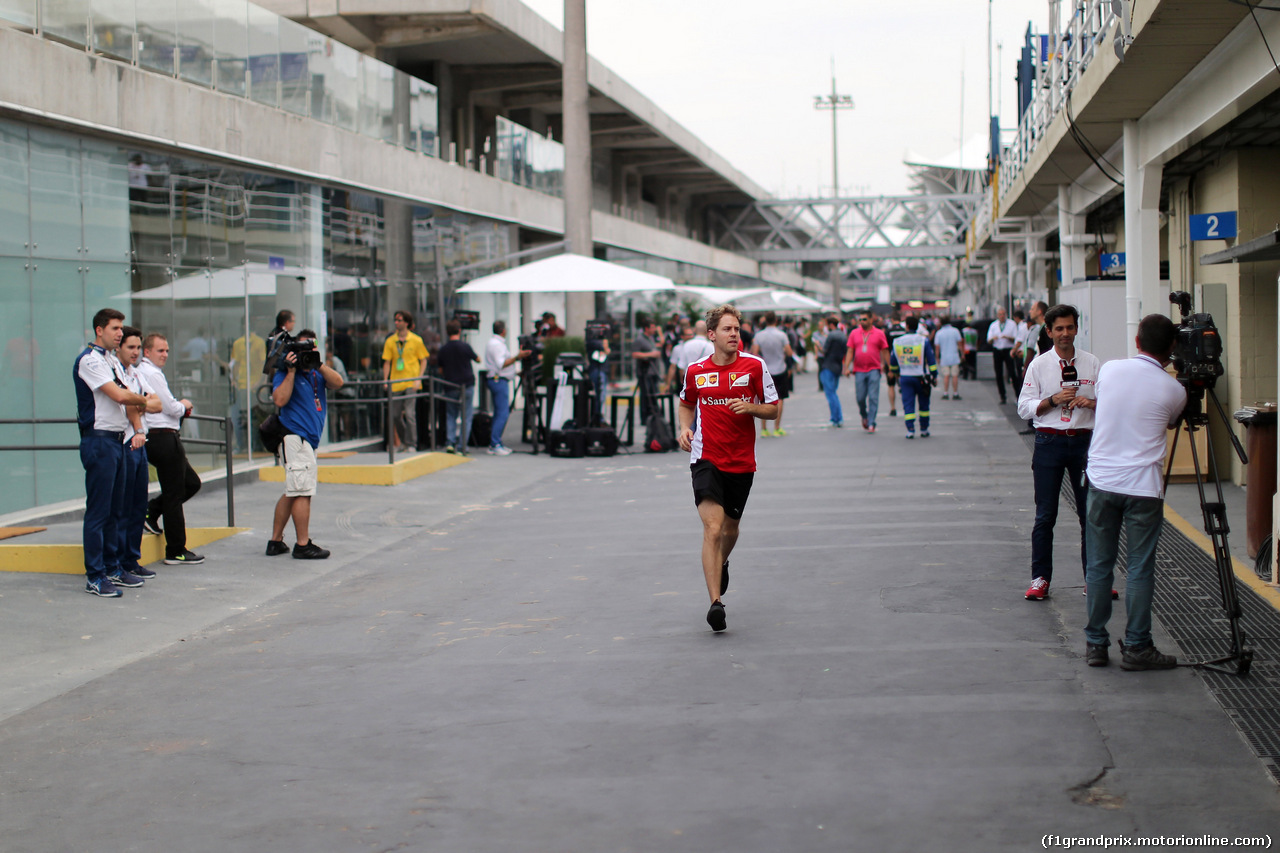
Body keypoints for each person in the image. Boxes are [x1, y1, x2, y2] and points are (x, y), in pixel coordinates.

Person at [1083, 314, 1188, 670]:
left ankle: (1096, 645)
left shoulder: (1110, 370)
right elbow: (1172, 420)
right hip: (1143, 488)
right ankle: (1138, 647)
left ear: (1138, 341)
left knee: (1099, 566)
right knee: (1140, 569)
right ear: (1171, 350)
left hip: (1102, 482)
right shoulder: (1175, 390)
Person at [677, 304, 779, 633]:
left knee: (730, 530)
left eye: (737, 329)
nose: (734, 334)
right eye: (727, 329)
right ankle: (715, 603)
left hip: (741, 462)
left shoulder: (754, 366)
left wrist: (751, 407)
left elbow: (773, 410)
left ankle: (721, 563)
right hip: (706, 457)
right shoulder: (696, 371)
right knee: (712, 528)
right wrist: (684, 428)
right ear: (712, 335)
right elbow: (686, 402)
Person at [1016, 304, 1100, 601]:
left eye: (1070, 327)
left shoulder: (1092, 363)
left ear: (1077, 329)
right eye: (1059, 329)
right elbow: (1024, 407)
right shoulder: (1039, 365)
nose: (1065, 334)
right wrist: (1052, 400)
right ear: (1049, 332)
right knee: (1045, 516)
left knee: (1090, 515)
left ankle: (1095, 579)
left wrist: (1092, 404)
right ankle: (1040, 579)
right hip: (1049, 443)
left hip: (1083, 443)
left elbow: (1108, 403)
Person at [74, 308, 155, 597]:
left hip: (118, 440)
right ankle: (95, 575)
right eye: (115, 328)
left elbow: (135, 399)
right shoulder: (89, 361)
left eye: (121, 328)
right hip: (100, 441)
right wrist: (143, 400)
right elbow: (121, 396)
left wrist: (140, 401)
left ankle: (111, 567)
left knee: (116, 510)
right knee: (99, 512)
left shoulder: (111, 361)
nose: (120, 333)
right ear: (99, 330)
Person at [266, 329, 344, 559]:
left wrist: (317, 364)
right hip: (295, 437)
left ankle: (275, 541)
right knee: (302, 491)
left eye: (310, 348)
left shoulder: (317, 372)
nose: (306, 354)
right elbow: (279, 400)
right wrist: (291, 371)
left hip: (307, 440)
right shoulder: (286, 372)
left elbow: (338, 382)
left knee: (292, 490)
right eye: (301, 349)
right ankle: (302, 544)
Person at [137, 333, 205, 566]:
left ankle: (151, 511)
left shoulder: (146, 372)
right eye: (160, 351)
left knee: (191, 484)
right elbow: (171, 408)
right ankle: (176, 550)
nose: (165, 355)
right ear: (147, 352)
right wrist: (184, 404)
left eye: (166, 350)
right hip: (162, 438)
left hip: (162, 437)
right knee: (175, 493)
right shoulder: (151, 373)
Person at [115, 327, 163, 583]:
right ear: (119, 348)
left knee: (137, 506)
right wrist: (141, 403)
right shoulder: (114, 372)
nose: (135, 352)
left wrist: (139, 403)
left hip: (139, 444)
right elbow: (131, 405)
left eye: (137, 347)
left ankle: (131, 560)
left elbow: (157, 404)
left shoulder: (137, 374)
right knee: (121, 507)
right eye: (130, 347)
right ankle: (118, 563)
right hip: (123, 442)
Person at [381, 310, 429, 452]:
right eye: (395, 320)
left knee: (409, 414)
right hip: (396, 381)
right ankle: (403, 441)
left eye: (399, 320)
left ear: (406, 323)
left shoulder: (416, 340)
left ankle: (412, 443)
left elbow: (423, 360)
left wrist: (418, 378)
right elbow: (387, 362)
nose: (396, 322)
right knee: (395, 415)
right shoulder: (391, 341)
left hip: (411, 380)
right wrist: (385, 380)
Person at [482, 320, 530, 456]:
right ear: (503, 330)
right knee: (502, 413)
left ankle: (496, 442)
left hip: (499, 379)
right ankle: (495, 444)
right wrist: (517, 357)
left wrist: (515, 372)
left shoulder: (495, 343)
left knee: (499, 413)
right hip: (498, 381)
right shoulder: (497, 345)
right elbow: (501, 364)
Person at [436, 319, 480, 454]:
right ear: (459, 331)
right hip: (466, 384)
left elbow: (440, 370)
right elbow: (478, 359)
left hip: (450, 385)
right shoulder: (465, 346)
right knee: (466, 415)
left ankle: (450, 442)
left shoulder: (443, 349)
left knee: (451, 414)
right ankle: (462, 446)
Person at [842, 312, 890, 433]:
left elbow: (884, 351)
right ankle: (864, 415)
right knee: (860, 397)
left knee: (873, 397)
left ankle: (871, 422)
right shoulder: (854, 333)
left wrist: (889, 367)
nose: (861, 322)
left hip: (874, 369)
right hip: (859, 370)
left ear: (871, 320)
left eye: (864, 319)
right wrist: (846, 367)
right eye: (860, 320)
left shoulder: (879, 333)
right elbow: (850, 350)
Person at [890, 316, 938, 439]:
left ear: (906, 326)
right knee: (924, 405)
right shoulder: (923, 341)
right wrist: (934, 376)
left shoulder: (897, 341)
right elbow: (931, 361)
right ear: (918, 326)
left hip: (905, 377)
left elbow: (893, 362)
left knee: (908, 404)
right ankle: (924, 429)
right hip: (921, 378)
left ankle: (910, 430)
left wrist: (895, 374)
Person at [750, 311, 793, 437]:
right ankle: (777, 427)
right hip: (780, 368)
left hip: (765, 369)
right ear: (776, 320)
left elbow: (755, 353)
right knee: (779, 399)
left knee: (764, 400)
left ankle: (764, 429)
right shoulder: (782, 335)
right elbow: (789, 352)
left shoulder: (759, 335)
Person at [818, 314, 847, 427]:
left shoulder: (831, 336)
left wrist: (818, 346)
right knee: (833, 392)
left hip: (828, 365)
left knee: (830, 394)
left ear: (830, 325)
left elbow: (824, 350)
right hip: (837, 366)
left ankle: (836, 418)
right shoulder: (843, 336)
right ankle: (836, 417)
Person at [987, 306, 1018, 404]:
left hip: (1008, 349)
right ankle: (1002, 396)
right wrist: (993, 339)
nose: (1002, 316)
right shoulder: (993, 325)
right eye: (1000, 314)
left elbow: (1016, 339)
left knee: (1012, 372)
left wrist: (1008, 337)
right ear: (997, 315)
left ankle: (1018, 395)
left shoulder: (1012, 324)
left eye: (1003, 314)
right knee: (998, 373)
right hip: (997, 349)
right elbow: (989, 340)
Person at [633, 319, 663, 419]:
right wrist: (651, 354)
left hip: (653, 371)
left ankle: (654, 414)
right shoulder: (639, 340)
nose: (654, 329)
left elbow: (661, 343)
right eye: (652, 327)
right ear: (646, 328)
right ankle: (645, 416)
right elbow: (635, 354)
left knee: (654, 394)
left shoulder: (651, 339)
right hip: (645, 372)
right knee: (646, 395)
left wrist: (659, 332)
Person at [883, 311, 908, 417]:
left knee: (891, 385)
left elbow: (885, 349)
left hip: (891, 360)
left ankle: (893, 408)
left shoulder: (888, 331)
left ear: (892, 320)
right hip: (904, 361)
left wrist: (888, 366)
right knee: (905, 386)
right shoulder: (904, 331)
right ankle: (906, 406)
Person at [933, 318, 964, 400]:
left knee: (946, 375)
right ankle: (955, 393)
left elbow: (937, 347)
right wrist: (962, 354)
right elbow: (960, 343)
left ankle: (945, 393)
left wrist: (937, 357)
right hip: (954, 356)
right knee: (955, 375)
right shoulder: (955, 331)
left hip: (944, 357)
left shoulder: (939, 333)